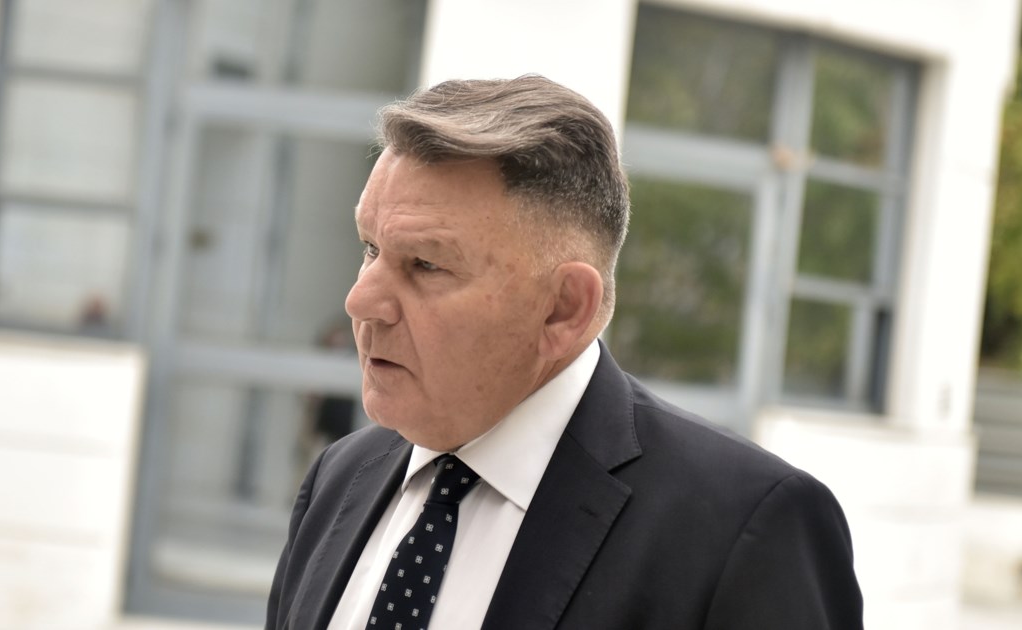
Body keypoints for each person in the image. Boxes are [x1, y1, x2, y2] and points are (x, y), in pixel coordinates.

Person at [266, 75, 863, 630]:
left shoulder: (746, 529)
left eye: (425, 264)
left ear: (563, 309)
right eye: (371, 249)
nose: (360, 301)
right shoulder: (340, 478)